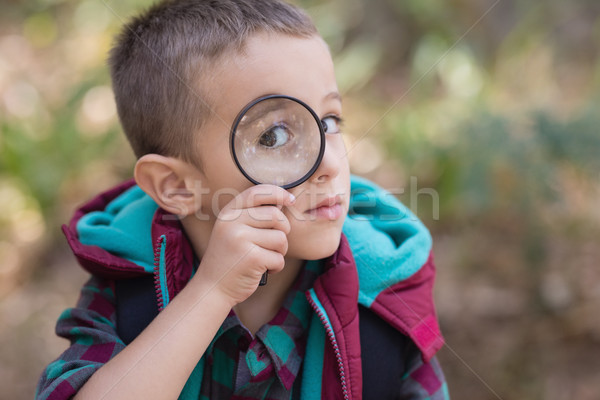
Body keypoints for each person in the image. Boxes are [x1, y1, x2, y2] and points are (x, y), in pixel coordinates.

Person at [35, 0, 449, 399]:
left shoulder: (383, 301)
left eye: (329, 121)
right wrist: (211, 292)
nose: (329, 163)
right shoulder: (126, 293)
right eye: (275, 136)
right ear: (177, 186)